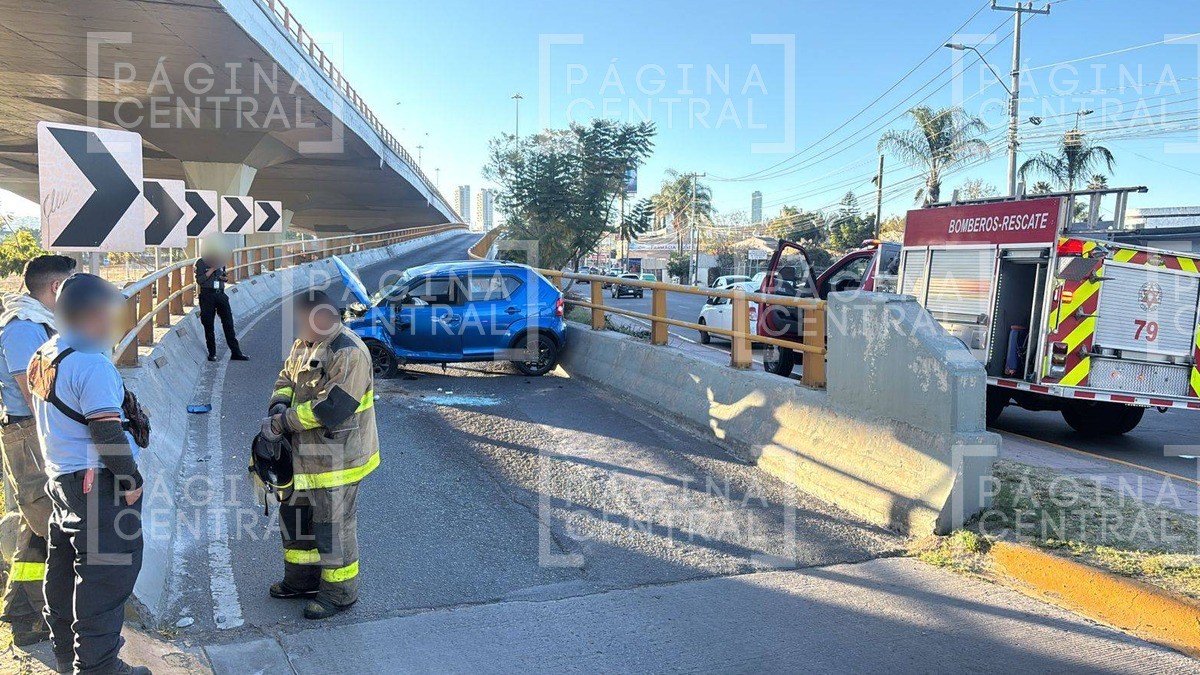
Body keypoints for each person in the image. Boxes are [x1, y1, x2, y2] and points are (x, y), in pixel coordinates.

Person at [28, 274, 149, 675]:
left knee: (64, 571)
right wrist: (131, 480)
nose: (114, 319)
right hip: (98, 484)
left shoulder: (45, 353)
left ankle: (67, 657)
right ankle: (98, 668)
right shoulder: (91, 363)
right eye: (110, 311)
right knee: (106, 579)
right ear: (95, 313)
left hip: (62, 480)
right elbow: (106, 431)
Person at [263, 290, 378, 620]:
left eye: (303, 321)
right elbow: (286, 377)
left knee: (332, 528)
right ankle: (301, 582)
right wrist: (279, 404)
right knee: (296, 520)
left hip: (337, 459)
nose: (298, 328)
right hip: (302, 457)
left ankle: (339, 593)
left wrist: (284, 421)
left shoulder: (349, 352)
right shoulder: (305, 343)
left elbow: (333, 408)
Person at [0, 254, 75, 646]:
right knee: (48, 524)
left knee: (37, 525)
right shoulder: (23, 328)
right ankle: (39, 615)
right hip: (31, 434)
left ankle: (23, 613)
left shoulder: (40, 321)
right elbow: (35, 395)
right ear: (56, 287)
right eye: (72, 283)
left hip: (38, 431)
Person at [195, 243, 248, 362]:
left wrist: (224, 278)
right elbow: (200, 280)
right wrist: (212, 269)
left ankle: (236, 352)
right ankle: (212, 353)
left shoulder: (221, 262)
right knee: (209, 324)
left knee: (228, 323)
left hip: (221, 294)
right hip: (207, 295)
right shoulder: (201, 262)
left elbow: (224, 277)